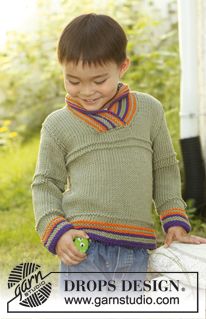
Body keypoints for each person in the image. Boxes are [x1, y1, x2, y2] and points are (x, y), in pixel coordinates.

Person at [31, 13, 206, 291]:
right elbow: (45, 184)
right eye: (73, 81)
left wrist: (174, 219)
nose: (86, 91)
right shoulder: (58, 125)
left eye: (99, 80)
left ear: (122, 66)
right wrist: (55, 228)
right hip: (83, 249)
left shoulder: (149, 110)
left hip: (136, 250)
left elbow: (164, 168)